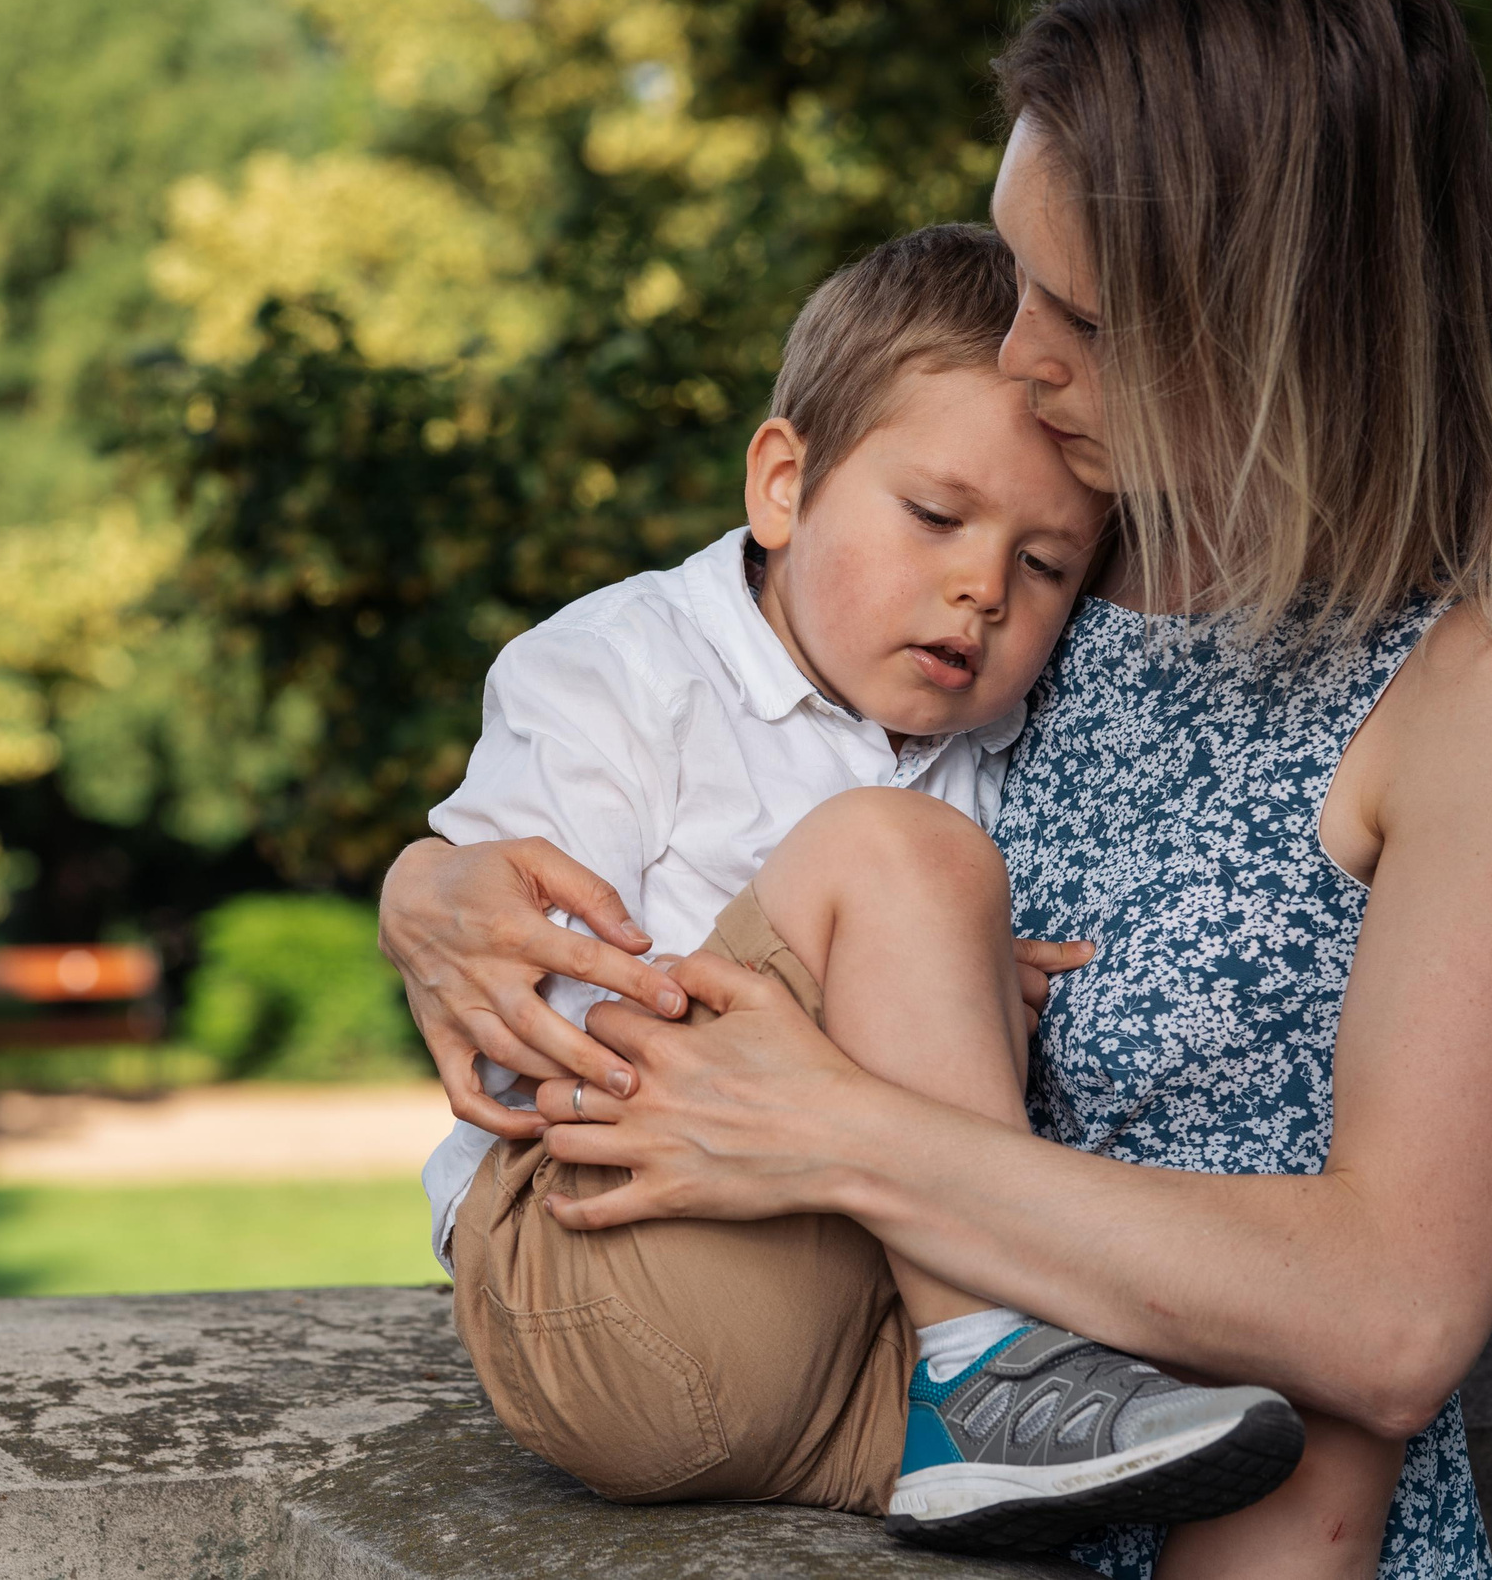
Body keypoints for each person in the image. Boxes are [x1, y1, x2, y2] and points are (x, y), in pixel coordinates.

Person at [378, 0, 1492, 1580]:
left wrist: (838, 1131)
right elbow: (693, 729)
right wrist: (432, 886)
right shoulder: (1040, 542)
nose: (1015, 352)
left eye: (1082, 315)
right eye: (1018, 275)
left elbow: (1394, 1317)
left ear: (1273, 320)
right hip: (879, 1460)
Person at [425, 222, 1307, 1553]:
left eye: (1048, 565)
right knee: (892, 850)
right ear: (783, 484)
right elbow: (535, 1023)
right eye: (938, 517)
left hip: (841, 1358)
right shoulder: (618, 671)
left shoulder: (1015, 751)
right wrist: (882, 970)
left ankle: (974, 1428)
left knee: (1229, 1389)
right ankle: (989, 1370)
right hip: (604, 1250)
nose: (981, 587)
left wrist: (946, 992)